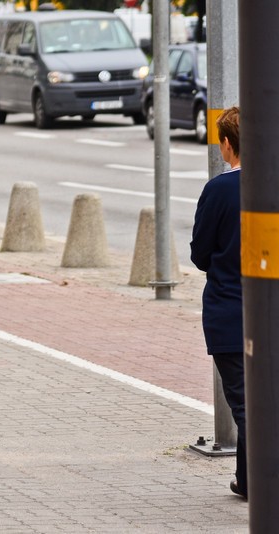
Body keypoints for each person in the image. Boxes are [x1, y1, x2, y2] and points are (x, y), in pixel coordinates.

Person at [190, 106, 247, 500]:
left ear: (226, 145)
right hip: (267, 312)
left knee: (245, 403)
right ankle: (249, 481)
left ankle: (258, 483)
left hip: (229, 311)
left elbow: (199, 254)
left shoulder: (220, 189)